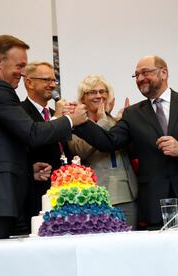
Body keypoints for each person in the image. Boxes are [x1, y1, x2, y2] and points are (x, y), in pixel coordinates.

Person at [74, 55, 178, 229]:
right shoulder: (133, 113)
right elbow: (109, 141)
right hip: (154, 205)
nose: (140, 78)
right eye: (136, 75)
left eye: (145, 72)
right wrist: (80, 122)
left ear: (164, 73)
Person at [0, 35, 87, 242]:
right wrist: (69, 120)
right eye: (19, 65)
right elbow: (31, 133)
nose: (22, 72)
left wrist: (27, 169)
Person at [68, 74, 138, 228]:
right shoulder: (75, 125)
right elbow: (80, 151)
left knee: (129, 245)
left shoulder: (118, 122)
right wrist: (101, 122)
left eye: (102, 91)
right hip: (93, 198)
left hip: (127, 195)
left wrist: (131, 121)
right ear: (82, 98)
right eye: (92, 92)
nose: (99, 96)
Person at [21, 61, 72, 221]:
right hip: (36, 193)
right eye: (46, 80)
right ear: (29, 82)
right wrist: (57, 119)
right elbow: (31, 143)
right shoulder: (20, 112)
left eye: (54, 81)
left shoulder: (53, 113)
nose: (52, 85)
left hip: (63, 192)